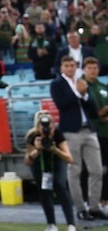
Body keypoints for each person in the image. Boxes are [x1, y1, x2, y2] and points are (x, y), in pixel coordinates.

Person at [51, 55, 105, 221]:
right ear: (61, 68)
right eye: (66, 66)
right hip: (71, 131)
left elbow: (93, 108)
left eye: (72, 65)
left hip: (88, 129)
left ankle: (94, 206)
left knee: (97, 170)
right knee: (75, 170)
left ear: (76, 67)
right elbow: (62, 104)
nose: (70, 68)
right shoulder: (57, 84)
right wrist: (78, 93)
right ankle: (81, 208)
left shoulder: (82, 83)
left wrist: (85, 95)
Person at [24, 111, 76, 231]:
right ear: (38, 128)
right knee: (44, 190)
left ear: (54, 126)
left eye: (50, 129)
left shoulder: (58, 134)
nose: (48, 132)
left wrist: (54, 149)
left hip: (57, 161)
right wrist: (37, 150)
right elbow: (27, 161)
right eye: (44, 129)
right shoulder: (32, 137)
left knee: (60, 185)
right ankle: (51, 224)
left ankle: (71, 224)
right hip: (39, 164)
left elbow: (69, 158)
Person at [83, 56, 108, 212]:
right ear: (84, 69)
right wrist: (103, 113)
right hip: (92, 132)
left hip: (106, 133)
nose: (93, 71)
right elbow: (92, 112)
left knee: (105, 168)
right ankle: (90, 199)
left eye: (95, 68)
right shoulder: (83, 86)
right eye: (90, 68)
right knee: (92, 168)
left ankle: (105, 198)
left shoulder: (102, 86)